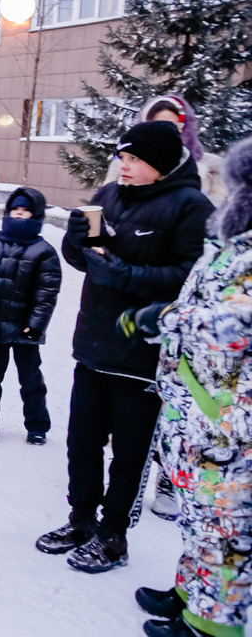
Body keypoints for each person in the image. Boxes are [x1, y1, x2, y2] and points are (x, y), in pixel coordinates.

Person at [36, 120, 214, 573]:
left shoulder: (191, 207)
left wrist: (128, 276)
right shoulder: (109, 196)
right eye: (123, 157)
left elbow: (190, 279)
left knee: (130, 454)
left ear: (161, 163)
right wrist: (75, 246)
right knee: (82, 443)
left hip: (144, 354)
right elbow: (90, 260)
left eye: (135, 159)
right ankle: (81, 521)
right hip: (94, 344)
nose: (125, 166)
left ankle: (114, 536)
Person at [123, 137, 252, 637]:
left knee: (226, 528)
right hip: (200, 406)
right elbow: (201, 296)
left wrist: (173, 320)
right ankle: (190, 593)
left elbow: (239, 317)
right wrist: (172, 316)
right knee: (201, 515)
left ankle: (212, 625)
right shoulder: (231, 242)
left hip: (233, 416)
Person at [0, 187, 62, 445]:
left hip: (25, 329)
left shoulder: (44, 251)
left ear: (36, 216)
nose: (19, 215)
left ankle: (37, 426)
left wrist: (36, 326)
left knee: (31, 379)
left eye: (25, 211)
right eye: (15, 210)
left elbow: (47, 293)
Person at [105, 94, 226, 205]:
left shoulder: (211, 167)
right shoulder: (121, 167)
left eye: (172, 124)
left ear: (184, 126)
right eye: (157, 124)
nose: (165, 130)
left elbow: (220, 215)